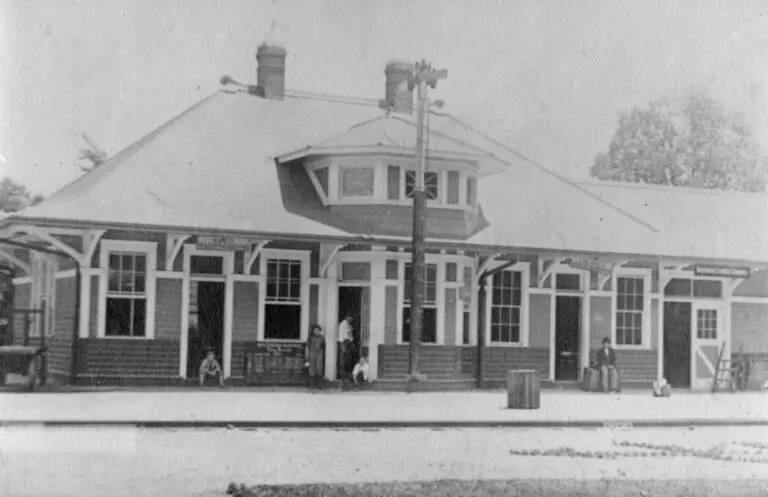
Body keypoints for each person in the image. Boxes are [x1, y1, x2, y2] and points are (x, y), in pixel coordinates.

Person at [305, 324, 325, 390]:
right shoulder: (310, 337)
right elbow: (307, 346)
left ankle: (319, 385)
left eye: (318, 330)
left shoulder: (322, 337)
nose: (317, 331)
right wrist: (307, 356)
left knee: (319, 368)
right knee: (311, 369)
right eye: (316, 330)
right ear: (313, 331)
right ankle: (312, 384)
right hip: (311, 354)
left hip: (319, 355)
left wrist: (322, 354)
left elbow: (323, 347)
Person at [337, 315, 354, 383]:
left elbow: (350, 336)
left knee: (348, 360)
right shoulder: (343, 324)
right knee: (343, 361)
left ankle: (346, 376)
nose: (351, 319)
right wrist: (342, 347)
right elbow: (341, 337)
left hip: (348, 343)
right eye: (350, 318)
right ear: (347, 317)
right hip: (344, 343)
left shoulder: (348, 325)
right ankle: (342, 378)